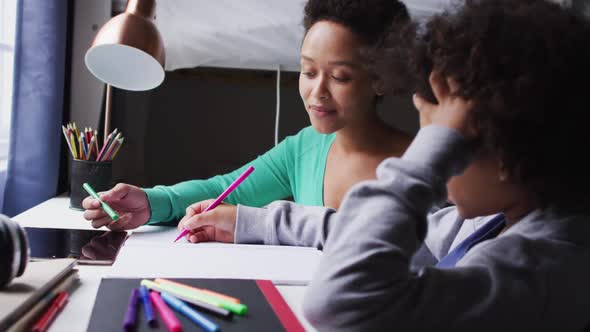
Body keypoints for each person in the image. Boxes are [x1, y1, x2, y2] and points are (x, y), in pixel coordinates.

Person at [176, 0, 590, 329]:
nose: (434, 158)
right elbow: (377, 234)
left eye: (444, 140)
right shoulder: (492, 223)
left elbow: (337, 304)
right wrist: (254, 223)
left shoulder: (541, 273)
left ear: (505, 153)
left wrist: (426, 158)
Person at [82, 0, 414, 233]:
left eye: (339, 76)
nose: (318, 91)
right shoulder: (304, 149)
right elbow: (226, 189)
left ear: (381, 78)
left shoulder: (422, 163)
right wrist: (151, 202)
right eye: (308, 71)